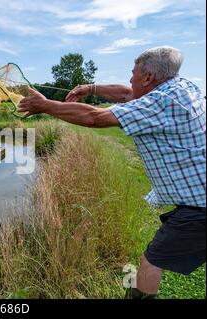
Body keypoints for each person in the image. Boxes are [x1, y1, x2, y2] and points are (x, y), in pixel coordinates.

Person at [18, 46, 206, 299]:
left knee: (151, 260)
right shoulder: (182, 88)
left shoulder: (159, 102)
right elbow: (127, 94)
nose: (130, 79)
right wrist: (91, 88)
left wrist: (45, 106)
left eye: (133, 73)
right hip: (197, 200)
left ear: (148, 77)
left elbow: (95, 118)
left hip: (199, 207)